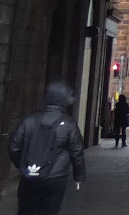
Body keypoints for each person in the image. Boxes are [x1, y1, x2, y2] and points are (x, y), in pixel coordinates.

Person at [8, 83, 86, 215]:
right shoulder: (69, 124)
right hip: (56, 177)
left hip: (29, 175)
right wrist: (79, 175)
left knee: (26, 209)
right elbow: (77, 152)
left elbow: (14, 146)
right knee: (50, 210)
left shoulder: (29, 120)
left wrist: (23, 165)